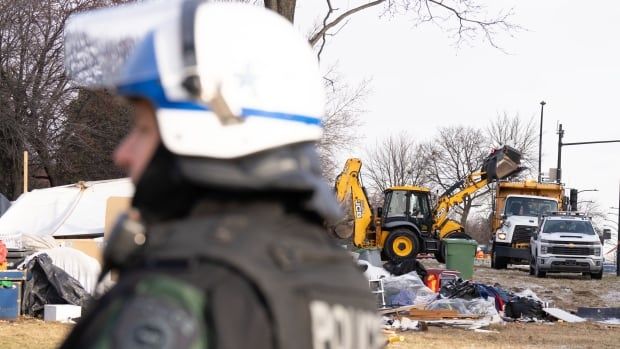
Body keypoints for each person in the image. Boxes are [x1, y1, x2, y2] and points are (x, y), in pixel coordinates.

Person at [60, 1, 381, 348]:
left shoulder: (179, 297)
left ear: (204, 133)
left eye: (142, 128)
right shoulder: (343, 288)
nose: (122, 153)